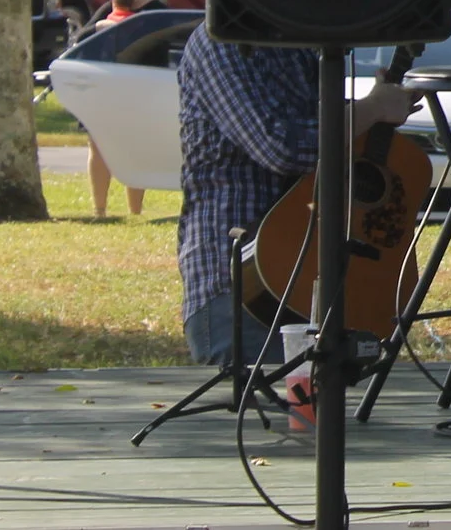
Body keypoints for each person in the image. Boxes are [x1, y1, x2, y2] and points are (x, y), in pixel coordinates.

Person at [177, 34, 416, 365]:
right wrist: (372, 109)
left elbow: (315, 129)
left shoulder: (302, 44)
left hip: (313, 279)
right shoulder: (222, 42)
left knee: (319, 411)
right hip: (239, 288)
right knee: (266, 415)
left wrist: (373, 111)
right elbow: (282, 147)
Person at [81, 0, 168, 217]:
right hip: (109, 89)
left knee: (136, 148)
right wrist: (102, 27)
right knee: (97, 143)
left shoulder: (157, 12)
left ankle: (135, 212)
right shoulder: (112, 8)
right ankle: (100, 211)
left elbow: (159, 52)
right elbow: (83, 37)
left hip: (141, 92)